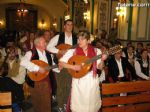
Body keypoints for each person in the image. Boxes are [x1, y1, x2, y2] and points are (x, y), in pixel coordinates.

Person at [59, 30, 106, 112]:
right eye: (78, 39)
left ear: (88, 41)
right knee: (79, 106)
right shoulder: (73, 51)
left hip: (92, 81)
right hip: (79, 81)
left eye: (82, 39)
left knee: (91, 105)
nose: (79, 41)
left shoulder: (96, 51)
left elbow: (100, 68)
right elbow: (61, 62)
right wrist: (73, 67)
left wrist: (102, 60)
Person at [47, 19, 77, 110]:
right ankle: (60, 105)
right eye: (68, 24)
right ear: (64, 26)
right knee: (60, 86)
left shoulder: (76, 38)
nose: (70, 26)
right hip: (60, 64)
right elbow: (48, 47)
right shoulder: (58, 37)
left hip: (71, 65)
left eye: (71, 25)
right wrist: (59, 51)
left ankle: (66, 105)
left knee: (69, 85)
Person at [20, 36, 56, 112]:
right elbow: (23, 62)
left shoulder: (49, 54)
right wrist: (38, 68)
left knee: (46, 104)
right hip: (34, 81)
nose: (46, 43)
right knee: (37, 103)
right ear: (37, 44)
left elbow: (52, 65)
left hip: (46, 81)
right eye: (44, 42)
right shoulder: (30, 53)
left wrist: (58, 67)